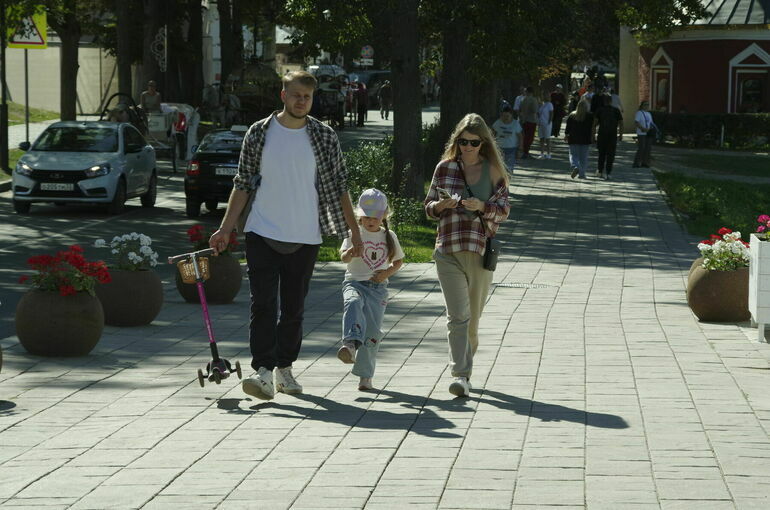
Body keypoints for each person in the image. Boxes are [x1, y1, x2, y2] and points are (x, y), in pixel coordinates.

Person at [208, 70, 363, 401]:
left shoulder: (324, 136)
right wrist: (224, 228)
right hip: (261, 230)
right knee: (263, 304)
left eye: (307, 97)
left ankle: (284, 368)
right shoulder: (259, 133)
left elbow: (340, 187)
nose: (301, 101)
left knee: (294, 308)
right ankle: (262, 371)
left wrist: (354, 232)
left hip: (306, 235)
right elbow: (242, 183)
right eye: (295, 95)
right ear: (283, 95)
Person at [423, 113, 511, 397]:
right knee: (457, 316)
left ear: (483, 143)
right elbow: (428, 208)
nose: (468, 147)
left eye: (474, 142)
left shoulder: (493, 171)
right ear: (456, 141)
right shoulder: (445, 168)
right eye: (463, 142)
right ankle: (461, 375)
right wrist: (441, 206)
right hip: (447, 248)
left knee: (472, 319)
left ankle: (465, 368)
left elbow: (504, 211)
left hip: (478, 251)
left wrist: (482, 206)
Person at [337, 188, 404, 391]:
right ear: (359, 216)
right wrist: (350, 252)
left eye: (375, 217)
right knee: (353, 302)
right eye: (366, 217)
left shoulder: (389, 236)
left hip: (377, 289)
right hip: (354, 283)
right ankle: (350, 344)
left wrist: (386, 274)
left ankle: (365, 376)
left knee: (373, 333)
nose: (371, 221)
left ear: (384, 215)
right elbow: (343, 258)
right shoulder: (353, 234)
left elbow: (398, 261)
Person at [592, 95, 623, 180]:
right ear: (611, 101)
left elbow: (594, 124)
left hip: (602, 134)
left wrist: (593, 135)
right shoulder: (616, 110)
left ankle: (600, 171)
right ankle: (608, 172)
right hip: (612, 135)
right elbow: (621, 123)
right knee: (610, 154)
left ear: (604, 101)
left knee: (601, 154)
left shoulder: (600, 110)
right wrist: (621, 134)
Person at [564, 99, 593, 179]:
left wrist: (566, 135)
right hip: (585, 139)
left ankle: (575, 166)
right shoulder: (590, 116)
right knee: (583, 158)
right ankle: (582, 174)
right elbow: (592, 127)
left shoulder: (572, 115)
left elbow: (568, 127)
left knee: (573, 155)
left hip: (573, 138)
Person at [491, 105, 522, 174]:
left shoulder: (515, 124)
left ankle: (507, 180)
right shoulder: (498, 123)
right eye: (504, 116)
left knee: (509, 169)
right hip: (499, 149)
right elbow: (492, 134)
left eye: (507, 116)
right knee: (499, 168)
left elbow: (520, 137)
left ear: (511, 115)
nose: (505, 118)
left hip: (511, 149)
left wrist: (520, 149)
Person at [633, 100, 655, 168]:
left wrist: (650, 128)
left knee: (648, 148)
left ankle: (645, 162)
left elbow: (651, 123)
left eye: (648, 105)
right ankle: (637, 162)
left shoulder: (649, 114)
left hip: (648, 133)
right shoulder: (639, 113)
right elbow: (636, 122)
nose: (647, 106)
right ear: (642, 106)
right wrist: (642, 128)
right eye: (645, 104)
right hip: (641, 133)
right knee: (641, 147)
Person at [519, 87, 539, 159]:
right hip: (531, 120)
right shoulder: (533, 100)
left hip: (524, 120)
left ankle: (525, 151)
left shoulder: (522, 99)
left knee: (525, 136)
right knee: (530, 137)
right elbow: (535, 110)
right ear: (532, 92)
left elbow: (520, 109)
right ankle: (526, 152)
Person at [537, 94, 554, 159]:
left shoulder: (550, 104)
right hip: (540, 124)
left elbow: (551, 114)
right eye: (544, 95)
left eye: (546, 96)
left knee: (547, 139)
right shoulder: (542, 104)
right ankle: (542, 153)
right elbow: (538, 114)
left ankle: (549, 154)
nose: (545, 97)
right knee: (541, 138)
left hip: (547, 124)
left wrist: (549, 123)